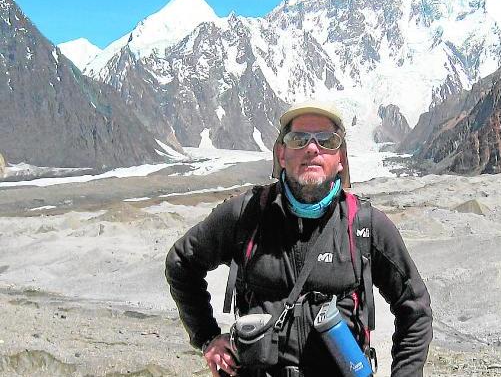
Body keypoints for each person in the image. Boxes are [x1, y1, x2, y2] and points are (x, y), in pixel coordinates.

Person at [165, 100, 433, 376]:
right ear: (282, 154)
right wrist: (207, 337)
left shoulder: (365, 225)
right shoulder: (246, 215)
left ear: (340, 158)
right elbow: (181, 263)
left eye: (327, 141)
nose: (312, 149)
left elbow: (415, 308)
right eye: (298, 139)